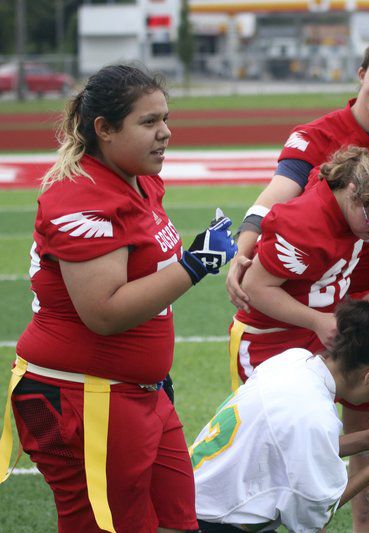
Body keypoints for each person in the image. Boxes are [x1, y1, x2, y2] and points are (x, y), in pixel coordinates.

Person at [225, 38, 369, 531]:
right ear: (360, 74)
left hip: (345, 305)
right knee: (290, 452)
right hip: (293, 323)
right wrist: (247, 238)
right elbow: (280, 191)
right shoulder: (315, 190)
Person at [0, 64, 237, 532]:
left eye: (165, 119)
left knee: (178, 521)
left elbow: (144, 280)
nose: (165, 133)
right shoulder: (81, 196)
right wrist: (195, 263)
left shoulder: (141, 180)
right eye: (148, 123)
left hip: (136, 392)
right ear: (104, 130)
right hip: (80, 395)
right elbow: (104, 313)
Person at [191, 298, 369, 532]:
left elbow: (289, 447)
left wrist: (364, 440)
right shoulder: (314, 415)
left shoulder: (294, 360)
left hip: (192, 500)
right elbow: (313, 517)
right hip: (211, 523)